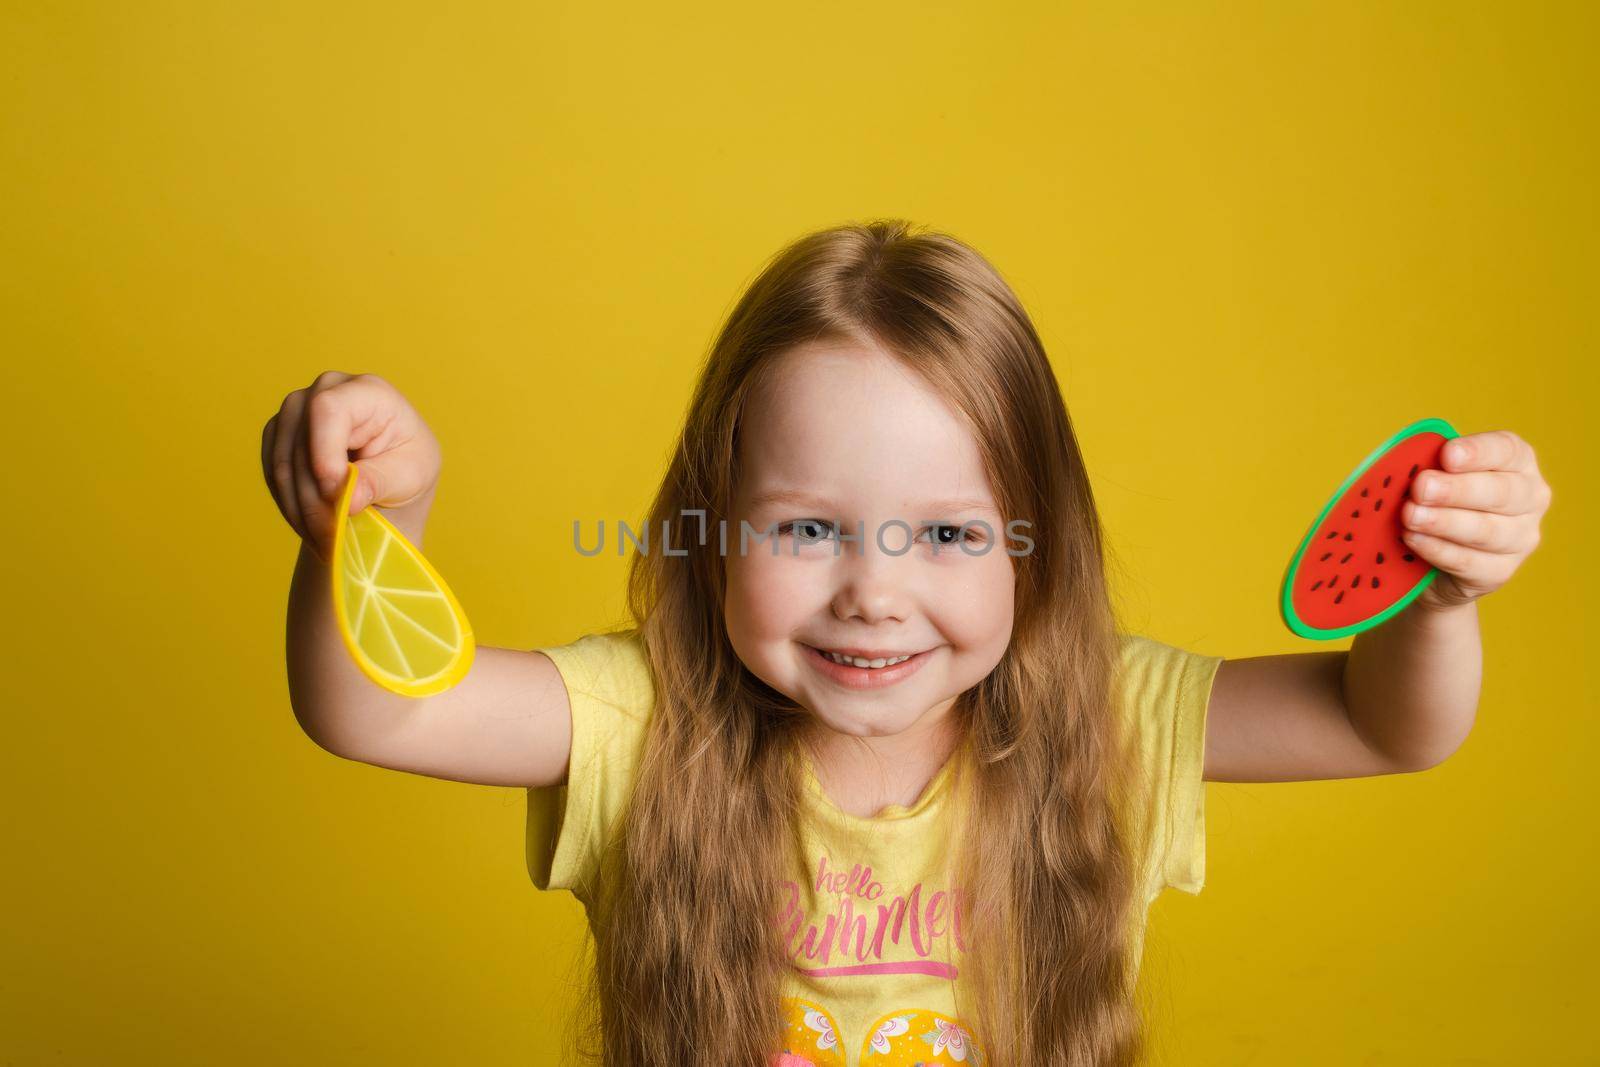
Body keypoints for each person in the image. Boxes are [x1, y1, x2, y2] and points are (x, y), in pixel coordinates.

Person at [261, 219, 1551, 1067]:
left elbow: (1389, 725)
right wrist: (379, 526)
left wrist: (1438, 599)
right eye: (808, 527)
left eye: (947, 537)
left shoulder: (1108, 721)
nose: (873, 594)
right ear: (714, 535)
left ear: (1035, 543)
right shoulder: (641, 721)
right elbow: (380, 709)